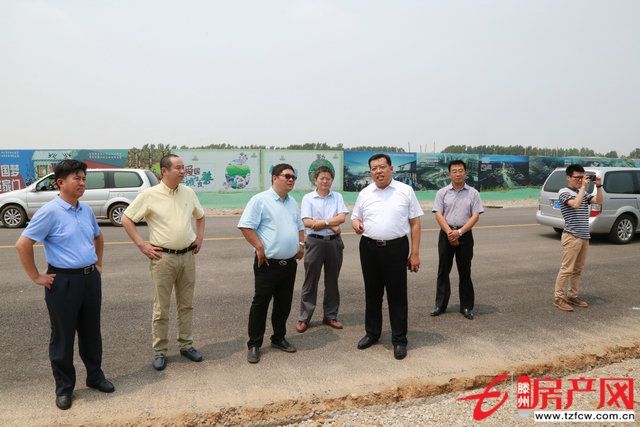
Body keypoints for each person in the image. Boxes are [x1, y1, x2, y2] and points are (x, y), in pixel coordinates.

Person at [15, 160, 114, 410]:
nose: (82, 183)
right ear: (60, 182)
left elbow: (98, 237)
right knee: (63, 336)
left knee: (91, 332)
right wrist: (36, 276)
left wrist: (98, 264)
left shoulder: (85, 210)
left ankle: (95, 376)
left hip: (90, 279)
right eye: (76, 178)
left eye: (83, 178)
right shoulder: (49, 212)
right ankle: (64, 388)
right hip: (63, 282)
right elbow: (23, 244)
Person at [121, 154, 205, 371]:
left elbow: (200, 215)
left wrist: (199, 237)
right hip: (163, 259)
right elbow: (126, 218)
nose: (183, 171)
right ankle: (160, 351)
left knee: (186, 304)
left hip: (187, 257)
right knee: (161, 308)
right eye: (178, 168)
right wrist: (142, 244)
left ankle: (186, 345)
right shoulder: (149, 195)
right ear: (164, 171)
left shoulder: (188, 192)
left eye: (183, 167)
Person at [351, 154, 423, 360]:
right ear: (370, 172)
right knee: (372, 292)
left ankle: (399, 339)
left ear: (391, 168)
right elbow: (355, 217)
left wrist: (415, 253)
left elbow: (415, 223)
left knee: (397, 295)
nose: (378, 171)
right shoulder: (365, 193)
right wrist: (356, 224)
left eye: (382, 167)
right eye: (374, 168)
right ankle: (372, 333)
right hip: (369, 248)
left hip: (396, 248)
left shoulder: (405, 191)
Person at [238, 163, 305, 363]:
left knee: (284, 304)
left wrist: (301, 245)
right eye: (287, 176)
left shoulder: (292, 202)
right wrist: (259, 247)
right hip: (267, 263)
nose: (291, 180)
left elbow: (299, 226)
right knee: (261, 304)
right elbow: (246, 226)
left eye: (293, 177)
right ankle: (254, 344)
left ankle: (278, 337)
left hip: (289, 264)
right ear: (275, 178)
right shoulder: (260, 200)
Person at [296, 166, 349, 333]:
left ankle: (330, 316)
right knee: (310, 281)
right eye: (322, 178)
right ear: (315, 180)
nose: (325, 181)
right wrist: (333, 225)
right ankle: (304, 318)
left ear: (332, 180)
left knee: (332, 280)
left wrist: (323, 222)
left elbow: (342, 217)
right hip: (314, 242)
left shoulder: (337, 197)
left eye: (328, 178)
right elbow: (307, 222)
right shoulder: (308, 198)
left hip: (334, 243)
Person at [430, 160, 484, 320]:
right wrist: (449, 232)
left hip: (465, 234)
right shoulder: (442, 193)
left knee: (465, 271)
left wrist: (459, 232)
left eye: (461, 170)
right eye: (454, 171)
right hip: (446, 234)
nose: (458, 174)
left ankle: (466, 306)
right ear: (449, 174)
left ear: (465, 173)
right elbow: (438, 213)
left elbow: (475, 216)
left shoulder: (473, 193)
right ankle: (440, 305)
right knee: (443, 270)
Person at [553, 164, 603, 312]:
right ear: (568, 177)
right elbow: (575, 204)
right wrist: (583, 188)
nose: (580, 180)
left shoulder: (583, 193)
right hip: (572, 236)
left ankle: (572, 296)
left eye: (582, 177)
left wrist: (599, 186)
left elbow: (599, 201)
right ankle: (559, 298)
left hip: (584, 236)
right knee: (566, 269)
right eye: (577, 177)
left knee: (578, 270)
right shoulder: (564, 192)